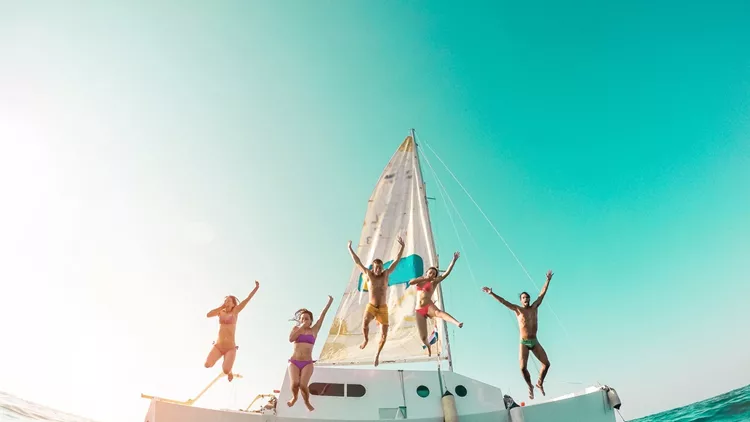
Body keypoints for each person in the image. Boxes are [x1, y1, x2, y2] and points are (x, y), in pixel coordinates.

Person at [482, 270, 554, 400]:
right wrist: (491, 293)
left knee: (547, 364)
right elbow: (503, 302)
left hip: (535, 341)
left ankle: (539, 383)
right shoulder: (518, 310)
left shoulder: (535, 307)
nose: (526, 299)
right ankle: (530, 386)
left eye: (527, 297)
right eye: (523, 298)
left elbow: (542, 294)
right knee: (522, 368)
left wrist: (548, 280)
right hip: (524, 342)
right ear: (521, 301)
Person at [347, 236, 405, 366]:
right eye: (376, 267)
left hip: (383, 308)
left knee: (384, 335)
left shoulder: (386, 274)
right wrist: (350, 248)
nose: (378, 269)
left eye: (380, 267)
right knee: (365, 323)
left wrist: (402, 247)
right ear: (373, 268)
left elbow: (397, 261)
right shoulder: (369, 274)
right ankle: (366, 339)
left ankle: (377, 355)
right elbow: (357, 262)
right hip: (372, 306)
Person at [409, 252, 464, 355]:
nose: (432, 275)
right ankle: (428, 345)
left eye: (434, 274)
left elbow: (446, 273)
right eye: (430, 273)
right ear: (427, 273)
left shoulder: (433, 282)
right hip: (419, 310)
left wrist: (453, 261)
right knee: (423, 336)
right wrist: (425, 278)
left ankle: (456, 323)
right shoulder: (421, 280)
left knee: (439, 312)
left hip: (428, 306)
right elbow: (411, 282)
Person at [204, 280, 260, 381]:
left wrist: (256, 288)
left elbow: (247, 299)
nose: (227, 302)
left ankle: (230, 372)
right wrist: (221, 307)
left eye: (229, 301)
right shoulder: (220, 312)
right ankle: (226, 367)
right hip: (218, 346)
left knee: (225, 370)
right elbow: (208, 315)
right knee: (207, 364)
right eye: (226, 301)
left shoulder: (235, 311)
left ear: (234, 304)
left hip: (230, 348)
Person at [287, 295, 334, 412]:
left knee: (303, 385)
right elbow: (291, 339)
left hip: (307, 362)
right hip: (294, 361)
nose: (304, 320)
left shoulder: (314, 330)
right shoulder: (296, 329)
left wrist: (329, 302)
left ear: (311, 320)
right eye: (302, 319)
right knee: (295, 384)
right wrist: (301, 327)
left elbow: (322, 316)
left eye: (306, 319)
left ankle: (307, 402)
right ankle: (294, 397)